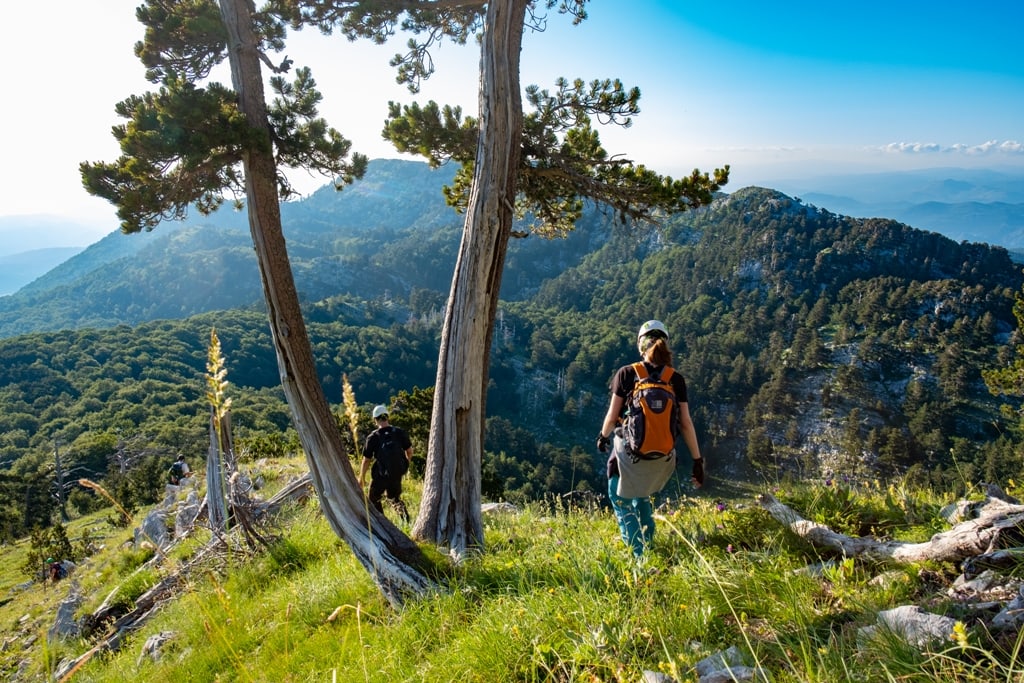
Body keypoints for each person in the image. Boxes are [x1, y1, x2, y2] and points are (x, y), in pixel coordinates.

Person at [596, 320, 704, 556]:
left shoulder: (627, 373)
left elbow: (612, 417)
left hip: (629, 455)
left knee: (620, 499)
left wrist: (602, 438)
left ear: (640, 345)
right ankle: (649, 543)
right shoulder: (675, 379)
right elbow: (685, 423)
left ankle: (639, 557)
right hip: (662, 457)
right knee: (642, 496)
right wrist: (697, 461)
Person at [358, 404, 413, 523]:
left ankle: (383, 523)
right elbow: (409, 451)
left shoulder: (373, 437)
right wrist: (404, 465)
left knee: (373, 498)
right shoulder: (398, 432)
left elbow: (367, 459)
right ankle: (406, 522)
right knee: (394, 498)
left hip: (380, 475)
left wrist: (361, 477)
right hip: (397, 473)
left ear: (375, 420)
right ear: (387, 417)